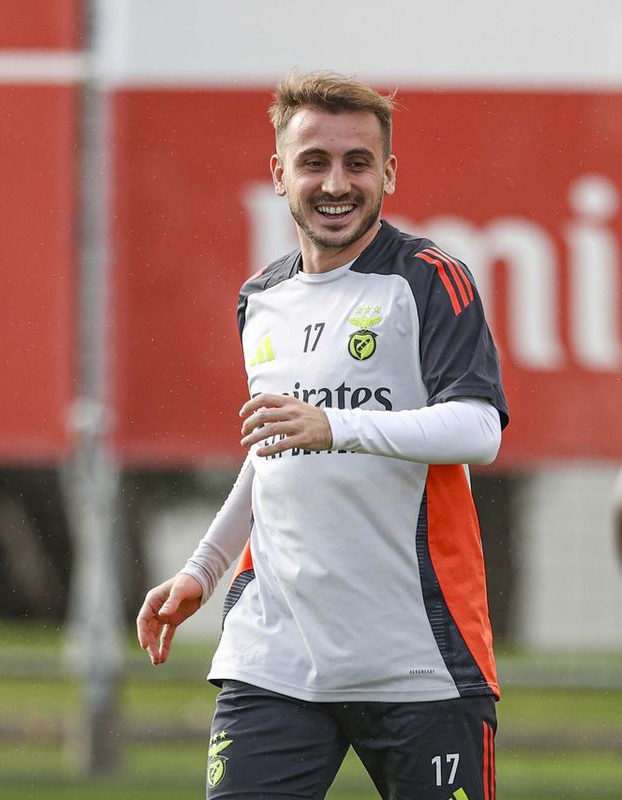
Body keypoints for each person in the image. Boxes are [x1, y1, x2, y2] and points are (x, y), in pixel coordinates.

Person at [137, 70, 509, 800]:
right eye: (314, 162)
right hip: (274, 654)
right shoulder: (261, 298)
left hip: (418, 657)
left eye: (357, 163)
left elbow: (478, 428)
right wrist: (203, 570)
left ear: (388, 173)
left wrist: (334, 424)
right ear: (280, 174)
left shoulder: (430, 279)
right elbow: (272, 454)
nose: (335, 183)